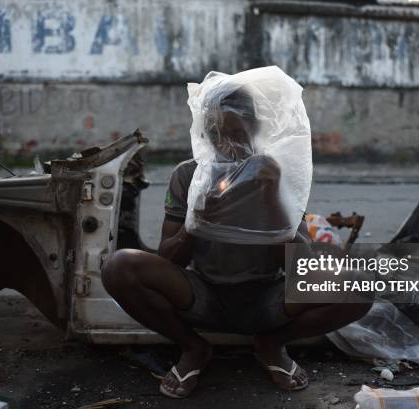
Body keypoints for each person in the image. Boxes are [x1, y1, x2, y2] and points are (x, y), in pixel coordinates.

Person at [101, 86, 372, 399]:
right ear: (204, 134)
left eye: (236, 133)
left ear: (255, 130)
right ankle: (193, 347)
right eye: (216, 134)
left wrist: (269, 198)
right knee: (118, 266)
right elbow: (168, 257)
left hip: (267, 297)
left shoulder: (276, 175)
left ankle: (271, 344)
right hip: (201, 292)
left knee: (358, 285)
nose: (226, 144)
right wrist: (196, 222)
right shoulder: (189, 176)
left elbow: (300, 268)